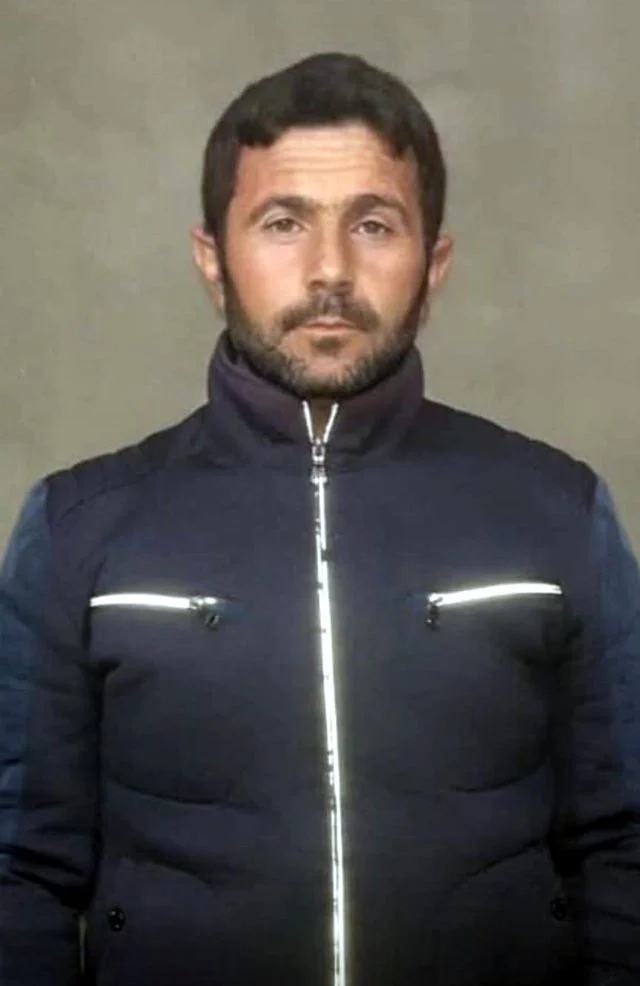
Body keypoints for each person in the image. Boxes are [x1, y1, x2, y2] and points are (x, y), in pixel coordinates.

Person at [0, 51, 639, 986]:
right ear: (212, 260)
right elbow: (21, 872)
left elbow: (623, 842)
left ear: (435, 264)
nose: (330, 269)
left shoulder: (557, 512)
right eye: (283, 223)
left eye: (374, 224)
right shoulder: (77, 528)